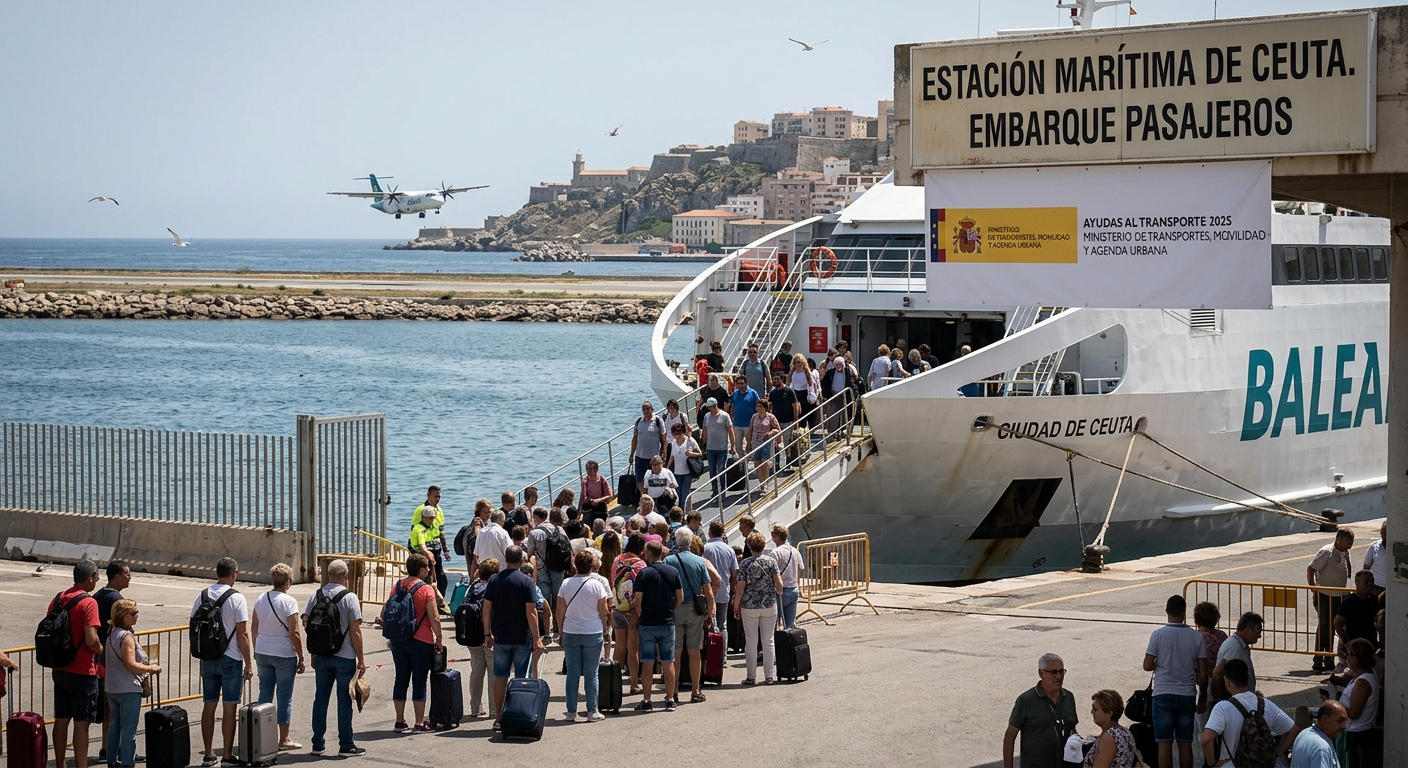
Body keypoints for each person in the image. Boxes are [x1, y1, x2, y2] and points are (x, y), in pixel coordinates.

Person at [192, 557, 252, 767]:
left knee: (209, 705)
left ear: (217, 572)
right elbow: (243, 634)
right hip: (230, 657)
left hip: (208, 657)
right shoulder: (237, 598)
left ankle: (208, 754)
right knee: (229, 707)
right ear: (234, 574)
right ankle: (227, 755)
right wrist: (249, 663)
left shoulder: (201, 596)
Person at [304, 558, 367, 758]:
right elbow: (355, 631)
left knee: (320, 699)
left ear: (328, 574)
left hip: (322, 655)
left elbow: (309, 625)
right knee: (344, 701)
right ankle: (346, 744)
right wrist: (361, 659)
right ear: (346, 576)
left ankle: (317, 743)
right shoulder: (350, 597)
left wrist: (314, 652)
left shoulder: (316, 596)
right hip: (344, 656)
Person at [49, 560, 104, 768]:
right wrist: (101, 650)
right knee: (82, 724)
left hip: (60, 668)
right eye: (96, 577)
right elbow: (91, 639)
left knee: (61, 719)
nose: (97, 580)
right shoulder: (88, 602)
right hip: (82, 671)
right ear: (89, 578)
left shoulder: (58, 599)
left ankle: (60, 764)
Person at [1142, 595, 1206, 768]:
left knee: (1164, 744)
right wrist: (1203, 698)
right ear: (1184, 612)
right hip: (1187, 695)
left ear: (1167, 612)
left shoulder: (1158, 635)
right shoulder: (1196, 637)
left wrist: (1158, 663)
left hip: (1162, 694)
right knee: (1185, 743)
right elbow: (1203, 671)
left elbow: (1147, 665)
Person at [483, 545, 542, 730]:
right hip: (521, 637)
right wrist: (537, 638)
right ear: (521, 560)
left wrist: (487, 633)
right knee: (521, 679)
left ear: (505, 559)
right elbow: (531, 612)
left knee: (500, 678)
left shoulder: (494, 580)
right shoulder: (526, 581)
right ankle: (518, 715)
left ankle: (498, 718)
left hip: (501, 636)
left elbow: (486, 609)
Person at [1201, 659, 1298, 768]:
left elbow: (1206, 740)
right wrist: (1276, 753)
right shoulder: (1265, 704)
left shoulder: (1223, 708)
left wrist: (1213, 764)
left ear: (1227, 681)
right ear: (1247, 679)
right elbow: (1293, 730)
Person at [383, 553, 441, 733]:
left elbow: (386, 610)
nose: (429, 571)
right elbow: (434, 617)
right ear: (421, 570)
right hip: (421, 639)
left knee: (401, 678)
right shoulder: (426, 589)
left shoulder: (397, 586)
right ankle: (419, 722)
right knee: (419, 680)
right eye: (427, 568)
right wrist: (439, 637)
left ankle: (399, 721)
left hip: (398, 639)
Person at [250, 563, 305, 751]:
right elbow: (294, 632)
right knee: (284, 696)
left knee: (264, 694)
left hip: (263, 651)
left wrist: (257, 648)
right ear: (288, 582)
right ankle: (284, 738)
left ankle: (262, 735)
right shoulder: (289, 602)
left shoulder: (261, 598)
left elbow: (254, 627)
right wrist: (301, 656)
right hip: (283, 653)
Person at [556, 549, 613, 721]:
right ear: (592, 566)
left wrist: (560, 631)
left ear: (575, 565)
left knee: (572, 673)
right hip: (592, 631)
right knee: (591, 673)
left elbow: (560, 611)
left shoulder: (566, 584)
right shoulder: (597, 585)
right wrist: (605, 629)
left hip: (571, 630)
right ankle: (592, 710)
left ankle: (571, 711)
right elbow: (603, 611)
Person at [104, 599, 161, 768]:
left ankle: (111, 761)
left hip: (112, 687)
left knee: (115, 726)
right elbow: (130, 665)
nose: (136, 616)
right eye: (133, 613)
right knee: (129, 729)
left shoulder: (112, 633)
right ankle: (127, 763)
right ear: (123, 616)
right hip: (128, 688)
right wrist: (151, 668)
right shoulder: (126, 637)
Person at [667, 529, 718, 703]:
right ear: (690, 542)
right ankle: (695, 690)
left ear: (676, 541)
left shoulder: (669, 561)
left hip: (675, 608)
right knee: (695, 651)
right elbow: (708, 591)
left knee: (675, 652)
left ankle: (673, 690)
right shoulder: (699, 561)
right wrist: (710, 612)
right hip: (695, 610)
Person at [1003, 653, 1079, 768]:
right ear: (1041, 673)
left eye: (1061, 671)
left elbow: (1072, 729)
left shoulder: (1068, 697)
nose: (1059, 676)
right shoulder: (1026, 701)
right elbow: (1010, 736)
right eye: (1053, 672)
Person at [631, 540, 682, 712]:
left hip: (647, 622)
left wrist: (640, 613)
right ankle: (670, 699)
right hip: (667, 621)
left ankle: (647, 700)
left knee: (647, 663)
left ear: (648, 553)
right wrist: (671, 609)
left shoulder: (644, 573)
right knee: (668, 662)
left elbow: (638, 600)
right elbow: (680, 597)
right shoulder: (673, 571)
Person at [732, 531, 781, 686]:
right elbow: (779, 584)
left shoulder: (745, 563)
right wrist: (778, 590)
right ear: (763, 546)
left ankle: (751, 676)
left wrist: (736, 605)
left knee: (751, 641)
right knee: (769, 640)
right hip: (769, 605)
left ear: (749, 546)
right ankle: (769, 676)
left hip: (749, 606)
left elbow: (740, 587)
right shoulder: (771, 562)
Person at [94, 559, 131, 761]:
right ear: (116, 576)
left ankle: (106, 747)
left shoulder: (98, 595)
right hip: (111, 656)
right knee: (116, 706)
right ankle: (117, 750)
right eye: (126, 574)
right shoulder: (116, 600)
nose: (130, 577)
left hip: (99, 655)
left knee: (108, 706)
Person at [1307, 526, 1354, 671]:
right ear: (1338, 539)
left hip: (1340, 595)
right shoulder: (1326, 552)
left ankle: (1329, 659)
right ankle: (1318, 659)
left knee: (1335, 626)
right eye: (1348, 541)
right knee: (1324, 627)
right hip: (1325, 595)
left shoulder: (1345, 553)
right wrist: (1314, 588)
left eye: (1351, 542)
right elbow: (1311, 569)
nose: (1350, 544)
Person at [611, 533, 648, 694]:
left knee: (619, 646)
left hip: (618, 607)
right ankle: (633, 683)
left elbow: (613, 580)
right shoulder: (641, 565)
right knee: (633, 648)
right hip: (633, 610)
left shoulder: (617, 560)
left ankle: (613, 682)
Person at [525, 506, 570, 640]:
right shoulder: (559, 529)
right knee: (559, 599)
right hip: (558, 568)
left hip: (542, 570)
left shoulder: (534, 533)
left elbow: (529, 553)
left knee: (544, 601)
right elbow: (568, 547)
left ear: (536, 517)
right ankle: (558, 628)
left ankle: (546, 633)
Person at [462, 558, 498, 719]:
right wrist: (489, 633)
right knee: (493, 671)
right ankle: (494, 709)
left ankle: (475, 707)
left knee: (476, 670)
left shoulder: (473, 586)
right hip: (488, 633)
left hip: (471, 634)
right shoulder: (492, 588)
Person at [1339, 638, 1380, 767]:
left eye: (1350, 654)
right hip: (1355, 733)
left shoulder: (1363, 682)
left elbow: (1354, 713)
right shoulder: (1362, 676)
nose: (1347, 657)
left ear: (1358, 658)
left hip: (1357, 735)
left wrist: (1335, 706)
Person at [409, 504, 449, 616]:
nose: (432, 520)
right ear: (424, 518)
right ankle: (437, 605)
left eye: (433, 518)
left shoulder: (433, 526)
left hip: (433, 557)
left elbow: (440, 536)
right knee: (426, 583)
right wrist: (429, 556)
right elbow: (422, 547)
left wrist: (445, 550)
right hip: (421, 559)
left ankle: (438, 604)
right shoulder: (419, 529)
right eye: (430, 518)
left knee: (439, 581)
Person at [1212, 612, 1264, 697]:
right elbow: (1217, 673)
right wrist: (1227, 699)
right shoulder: (1234, 647)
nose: (1259, 636)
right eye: (1258, 632)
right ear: (1247, 630)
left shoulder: (1240, 645)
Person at [1085, 689, 1137, 768]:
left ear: (1109, 713)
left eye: (1095, 709)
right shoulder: (1126, 733)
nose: (1092, 712)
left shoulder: (1109, 737)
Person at [1193, 601, 1227, 720]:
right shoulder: (1222, 635)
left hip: (1205, 683)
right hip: (1223, 682)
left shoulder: (1197, 637)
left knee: (1204, 720)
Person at [702, 520, 738, 632]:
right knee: (722, 625)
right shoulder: (729, 550)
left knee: (709, 624)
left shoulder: (705, 549)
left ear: (710, 532)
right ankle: (723, 644)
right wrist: (732, 591)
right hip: (724, 592)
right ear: (722, 533)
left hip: (709, 592)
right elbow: (734, 574)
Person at [1291, 700, 1348, 768]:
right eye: (1340, 721)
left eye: (1345, 721)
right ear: (1325, 720)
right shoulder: (1321, 748)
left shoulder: (1303, 734)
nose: (1344, 726)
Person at [699, 397, 736, 502]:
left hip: (722, 448)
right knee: (712, 471)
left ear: (715, 406)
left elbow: (730, 431)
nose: (709, 409)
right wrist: (703, 443)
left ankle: (722, 491)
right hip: (710, 448)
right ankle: (715, 491)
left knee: (720, 469)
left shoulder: (724, 416)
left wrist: (733, 446)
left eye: (710, 407)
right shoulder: (707, 416)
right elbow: (705, 430)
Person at [769, 524, 803, 629]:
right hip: (793, 588)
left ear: (775, 536)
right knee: (790, 624)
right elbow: (800, 567)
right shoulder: (795, 551)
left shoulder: (775, 553)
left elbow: (772, 572)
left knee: (774, 623)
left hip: (780, 590)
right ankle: (790, 638)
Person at [630, 402, 668, 496]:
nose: (646, 411)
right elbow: (635, 438)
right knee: (640, 481)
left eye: (648, 409)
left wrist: (664, 452)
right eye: (644, 409)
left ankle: (653, 498)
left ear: (652, 410)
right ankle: (644, 498)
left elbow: (664, 438)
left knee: (654, 480)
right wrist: (631, 454)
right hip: (640, 456)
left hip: (653, 458)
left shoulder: (658, 421)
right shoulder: (639, 421)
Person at [1335, 570, 1380, 648]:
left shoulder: (1373, 599)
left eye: (1372, 581)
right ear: (1357, 583)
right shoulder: (1349, 601)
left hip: (1371, 645)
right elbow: (1337, 623)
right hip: (1355, 646)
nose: (1370, 584)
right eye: (1366, 582)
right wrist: (1347, 643)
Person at [665, 422, 702, 511]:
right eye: (675, 434)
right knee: (678, 495)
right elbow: (672, 457)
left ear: (683, 432)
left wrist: (691, 454)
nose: (677, 436)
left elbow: (700, 453)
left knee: (684, 495)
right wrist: (667, 468)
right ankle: (680, 512)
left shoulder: (690, 440)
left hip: (687, 472)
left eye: (679, 434)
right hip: (677, 473)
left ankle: (682, 512)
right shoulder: (673, 442)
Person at [767, 372, 799, 471]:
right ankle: (777, 464)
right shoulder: (772, 393)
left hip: (788, 421)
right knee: (776, 444)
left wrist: (796, 421)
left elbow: (795, 406)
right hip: (776, 423)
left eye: (777, 379)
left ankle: (788, 462)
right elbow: (770, 407)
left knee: (787, 443)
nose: (775, 381)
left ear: (782, 379)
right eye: (774, 379)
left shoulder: (789, 391)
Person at [748, 400, 781, 486]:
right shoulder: (754, 417)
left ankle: (765, 482)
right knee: (757, 462)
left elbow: (777, 429)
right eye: (757, 406)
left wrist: (771, 432)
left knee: (764, 461)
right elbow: (751, 429)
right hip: (756, 441)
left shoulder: (770, 417)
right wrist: (748, 443)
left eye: (760, 407)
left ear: (765, 408)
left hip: (766, 442)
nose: (758, 408)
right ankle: (761, 483)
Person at [471, 509, 512, 577]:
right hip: (500, 572)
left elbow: (476, 555)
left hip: (485, 572)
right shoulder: (502, 533)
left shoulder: (482, 532)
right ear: (502, 520)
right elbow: (509, 552)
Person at [579, 460, 614, 526]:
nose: (589, 471)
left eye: (591, 469)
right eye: (587, 469)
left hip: (600, 509)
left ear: (596, 469)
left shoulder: (602, 480)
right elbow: (582, 497)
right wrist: (579, 511)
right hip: (589, 509)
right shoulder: (585, 481)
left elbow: (610, 495)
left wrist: (598, 500)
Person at [730, 374, 761, 439]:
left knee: (750, 444)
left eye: (742, 383)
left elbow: (759, 407)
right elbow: (732, 407)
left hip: (750, 425)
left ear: (746, 383)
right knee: (737, 444)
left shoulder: (753, 393)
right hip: (737, 425)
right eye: (738, 384)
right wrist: (731, 418)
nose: (740, 385)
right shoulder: (734, 394)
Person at [1363, 522, 1388, 597]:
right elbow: (1366, 567)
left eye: (1385, 533)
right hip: (1377, 587)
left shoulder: (1398, 547)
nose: (1383, 536)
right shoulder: (1373, 547)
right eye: (1381, 533)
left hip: (1394, 587)